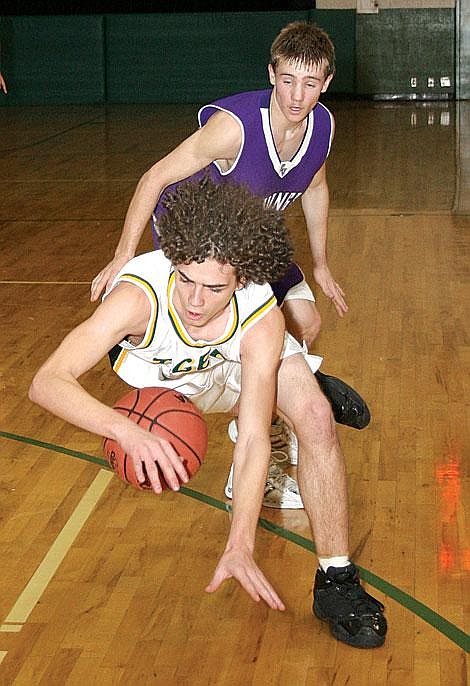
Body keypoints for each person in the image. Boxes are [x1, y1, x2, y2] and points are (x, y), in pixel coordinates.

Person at [30, 177, 387, 648]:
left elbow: (255, 437)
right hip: (175, 392)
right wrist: (124, 430)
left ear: (241, 279)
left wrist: (241, 543)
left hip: (242, 361)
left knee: (316, 418)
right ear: (174, 263)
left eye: (215, 288)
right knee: (268, 389)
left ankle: (336, 580)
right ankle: (302, 374)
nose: (196, 301)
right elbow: (46, 381)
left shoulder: (259, 312)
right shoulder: (138, 298)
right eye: (187, 280)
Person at [90, 21, 370, 508]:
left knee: (307, 320)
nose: (296, 95)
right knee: (250, 346)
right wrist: (122, 255)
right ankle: (255, 454)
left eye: (309, 83)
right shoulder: (234, 128)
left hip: (253, 239)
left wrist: (321, 263)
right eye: (286, 80)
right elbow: (153, 178)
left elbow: (316, 187)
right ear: (271, 74)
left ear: (325, 83)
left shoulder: (322, 125)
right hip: (204, 247)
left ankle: (266, 414)